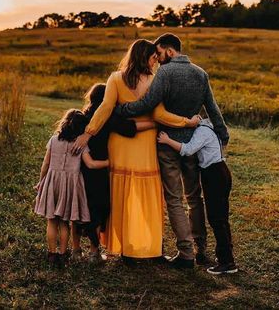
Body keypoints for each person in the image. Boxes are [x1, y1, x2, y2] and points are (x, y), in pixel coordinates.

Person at [71, 39, 200, 260]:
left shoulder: (115, 78)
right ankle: (152, 249)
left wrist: (88, 132)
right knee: (147, 198)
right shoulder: (153, 80)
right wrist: (186, 122)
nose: (155, 62)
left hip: (120, 145)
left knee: (123, 199)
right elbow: (159, 116)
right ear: (145, 57)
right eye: (153, 58)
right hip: (146, 146)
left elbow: (105, 108)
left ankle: (126, 248)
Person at [114, 33, 229, 269]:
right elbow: (212, 108)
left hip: (167, 144)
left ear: (169, 50)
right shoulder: (200, 73)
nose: (157, 58)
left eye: (159, 52)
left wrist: (123, 109)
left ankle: (186, 253)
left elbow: (147, 104)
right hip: (192, 145)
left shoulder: (165, 73)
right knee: (195, 198)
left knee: (174, 199)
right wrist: (222, 133)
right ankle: (201, 249)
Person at [72, 83, 156, 264]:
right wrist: (153, 123)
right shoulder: (106, 117)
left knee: (78, 209)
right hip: (99, 170)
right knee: (97, 209)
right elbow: (129, 128)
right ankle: (94, 253)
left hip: (77, 171)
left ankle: (76, 250)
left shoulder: (81, 117)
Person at [157, 117, 237, 275]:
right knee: (220, 218)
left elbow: (187, 149)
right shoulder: (209, 127)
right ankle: (226, 258)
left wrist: (167, 140)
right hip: (218, 172)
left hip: (214, 174)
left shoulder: (201, 131)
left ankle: (227, 262)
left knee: (217, 219)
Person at [34, 109, 103, 266]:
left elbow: (45, 164)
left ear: (64, 123)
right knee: (64, 222)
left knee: (52, 221)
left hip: (52, 182)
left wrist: (41, 182)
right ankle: (63, 254)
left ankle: (52, 254)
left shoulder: (53, 140)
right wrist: (109, 162)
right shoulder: (81, 145)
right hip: (69, 187)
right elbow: (91, 164)